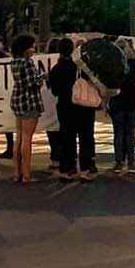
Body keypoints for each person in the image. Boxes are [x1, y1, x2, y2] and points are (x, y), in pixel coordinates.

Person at [46, 38, 97, 180]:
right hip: (84, 107)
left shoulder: (56, 69)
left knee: (67, 139)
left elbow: (55, 91)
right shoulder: (81, 67)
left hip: (65, 108)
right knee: (85, 137)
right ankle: (86, 169)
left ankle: (68, 168)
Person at [9, 37, 45, 183]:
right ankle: (27, 174)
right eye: (31, 47)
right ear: (25, 49)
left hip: (17, 100)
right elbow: (32, 83)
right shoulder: (27, 63)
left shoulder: (14, 62)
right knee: (27, 139)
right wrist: (41, 78)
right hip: (29, 101)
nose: (33, 49)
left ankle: (17, 172)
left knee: (19, 137)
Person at [109, 40, 135, 175]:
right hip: (131, 102)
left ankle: (119, 161)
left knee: (119, 132)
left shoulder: (113, 65)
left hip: (117, 102)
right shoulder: (133, 65)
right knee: (129, 132)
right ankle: (130, 161)